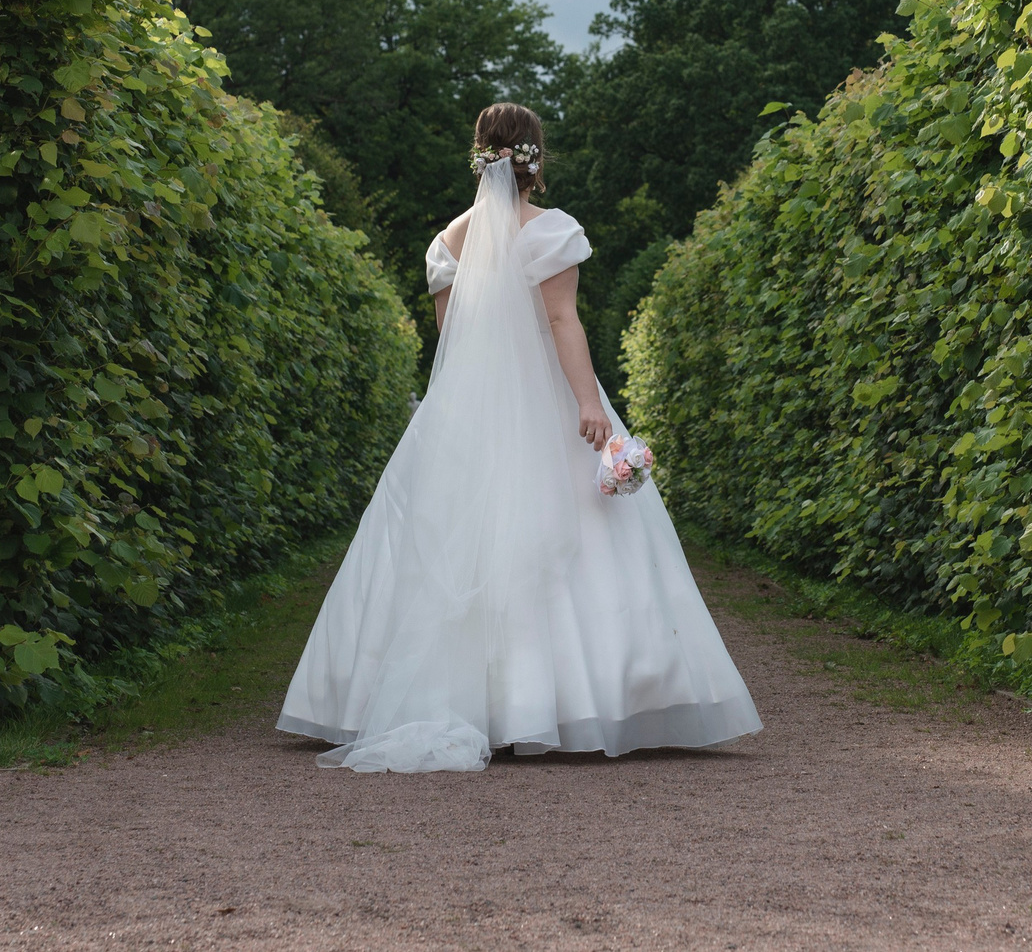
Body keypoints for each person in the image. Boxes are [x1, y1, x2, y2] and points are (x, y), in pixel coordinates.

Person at [278, 102, 761, 772]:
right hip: (544, 396)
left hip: (464, 410)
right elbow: (563, 321)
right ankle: (552, 703)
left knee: (447, 546)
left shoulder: (448, 242)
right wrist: (589, 404)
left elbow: (451, 342)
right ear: (537, 157)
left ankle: (436, 696)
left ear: (479, 155)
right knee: (565, 543)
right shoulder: (552, 231)